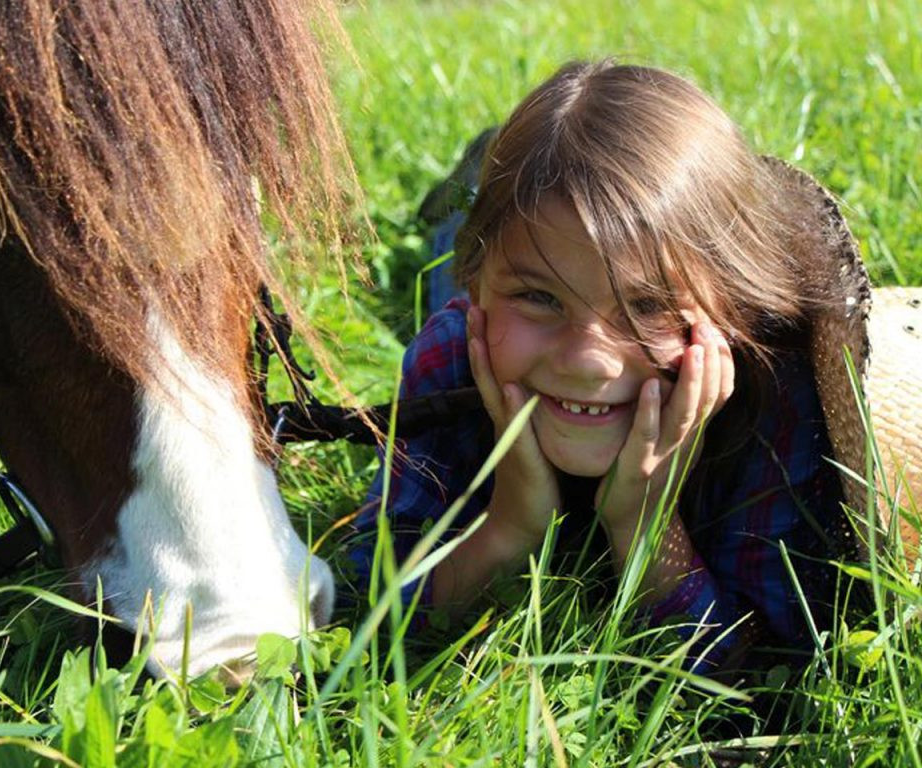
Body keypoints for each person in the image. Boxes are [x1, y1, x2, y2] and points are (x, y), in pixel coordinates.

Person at [349, 59, 868, 676]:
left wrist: (645, 522)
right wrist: (510, 523)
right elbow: (371, 606)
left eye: (646, 305)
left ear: (730, 306)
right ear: (480, 285)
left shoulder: (775, 391)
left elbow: (759, 673)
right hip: (471, 286)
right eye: (538, 296)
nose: (588, 360)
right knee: (445, 253)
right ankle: (456, 211)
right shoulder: (456, 350)